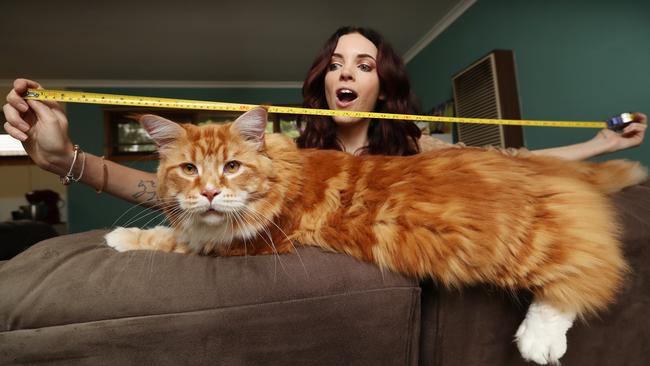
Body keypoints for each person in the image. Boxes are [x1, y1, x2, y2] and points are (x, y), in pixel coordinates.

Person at [3, 26, 647, 207]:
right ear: (322, 81)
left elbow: (510, 164)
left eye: (364, 64)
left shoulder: (415, 144)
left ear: (381, 85)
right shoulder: (273, 150)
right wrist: (68, 160)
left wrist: (595, 145)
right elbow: (162, 191)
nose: (347, 72)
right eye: (337, 62)